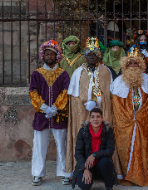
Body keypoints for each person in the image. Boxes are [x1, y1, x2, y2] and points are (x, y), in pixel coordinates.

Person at [65, 37, 114, 178]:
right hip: (83, 112)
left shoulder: (106, 72)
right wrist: (85, 102)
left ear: (99, 55)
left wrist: (99, 102)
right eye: (89, 54)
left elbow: (109, 93)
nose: (92, 56)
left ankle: (102, 170)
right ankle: (81, 168)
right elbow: (74, 96)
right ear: (85, 56)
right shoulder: (78, 72)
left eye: (94, 54)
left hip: (101, 112)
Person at [111, 47, 148, 187]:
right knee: (125, 148)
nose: (133, 66)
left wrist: (140, 116)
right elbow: (117, 104)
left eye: (135, 63)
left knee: (146, 148)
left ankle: (144, 175)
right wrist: (129, 117)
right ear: (125, 65)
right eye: (130, 64)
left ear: (141, 65)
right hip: (125, 123)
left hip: (145, 121)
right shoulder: (119, 81)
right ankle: (128, 175)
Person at [29, 39, 70, 186]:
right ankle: (37, 174)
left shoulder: (63, 74)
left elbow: (66, 92)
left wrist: (56, 107)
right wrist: (44, 107)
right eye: (47, 54)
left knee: (62, 145)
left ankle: (64, 173)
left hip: (59, 115)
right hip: (42, 115)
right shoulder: (36, 74)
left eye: (52, 54)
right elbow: (33, 92)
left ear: (56, 56)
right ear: (43, 55)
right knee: (39, 145)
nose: (49, 56)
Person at [71, 108, 117, 190]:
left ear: (102, 118)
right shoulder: (83, 131)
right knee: (84, 186)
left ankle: (109, 186)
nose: (95, 119)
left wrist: (94, 155)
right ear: (90, 119)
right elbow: (78, 152)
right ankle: (89, 175)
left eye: (98, 117)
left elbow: (110, 150)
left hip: (101, 163)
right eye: (93, 117)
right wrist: (84, 169)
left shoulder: (108, 130)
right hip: (87, 164)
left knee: (106, 161)